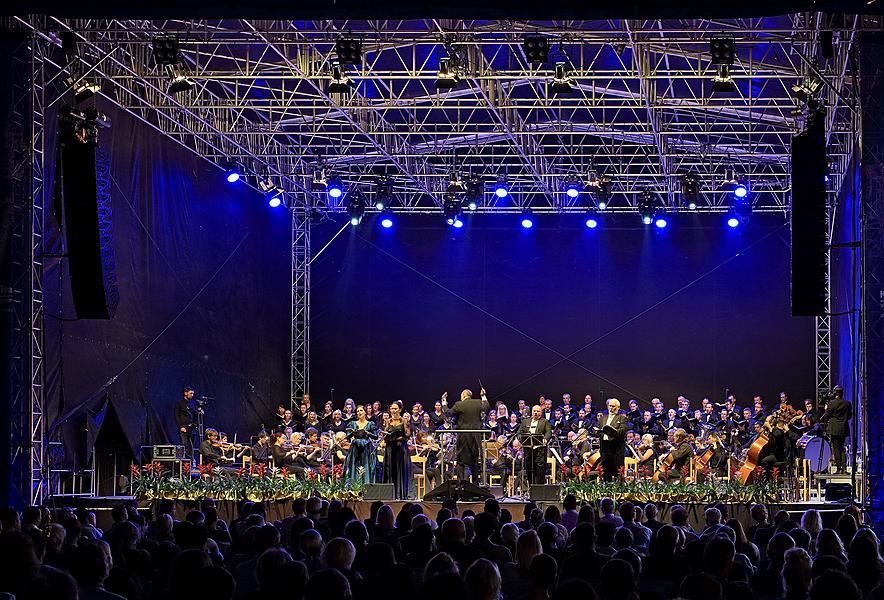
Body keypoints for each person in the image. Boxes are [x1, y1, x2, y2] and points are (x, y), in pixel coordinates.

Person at [445, 388, 490, 483]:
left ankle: (460, 484)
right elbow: (486, 407)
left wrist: (444, 403)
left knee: (461, 461)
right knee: (474, 460)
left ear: (463, 396)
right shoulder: (478, 402)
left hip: (463, 436)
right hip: (475, 436)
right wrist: (483, 396)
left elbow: (448, 413)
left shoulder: (459, 404)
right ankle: (475, 485)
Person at [517, 405, 552, 487]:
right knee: (529, 470)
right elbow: (519, 433)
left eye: (538, 411)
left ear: (541, 413)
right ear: (532, 412)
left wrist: (545, 440)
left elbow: (548, 433)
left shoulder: (545, 422)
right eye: (534, 411)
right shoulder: (525, 421)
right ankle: (531, 489)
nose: (536, 412)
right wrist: (522, 441)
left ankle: (539, 490)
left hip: (540, 451)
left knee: (540, 472)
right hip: (528, 451)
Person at [382, 402, 412, 499]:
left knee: (400, 470)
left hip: (400, 448)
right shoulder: (388, 421)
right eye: (392, 409)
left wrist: (400, 436)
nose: (393, 411)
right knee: (390, 470)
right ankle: (390, 494)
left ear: (400, 409)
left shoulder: (404, 420)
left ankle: (400, 494)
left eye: (395, 408)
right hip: (390, 449)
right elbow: (385, 435)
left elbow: (408, 435)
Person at [343, 405, 379, 485]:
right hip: (355, 447)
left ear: (365, 412)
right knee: (354, 466)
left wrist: (367, 433)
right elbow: (347, 436)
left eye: (361, 410)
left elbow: (376, 436)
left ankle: (366, 486)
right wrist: (352, 432)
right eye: (358, 411)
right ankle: (354, 487)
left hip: (366, 448)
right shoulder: (353, 423)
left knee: (366, 466)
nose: (359, 412)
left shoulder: (370, 424)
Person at [821, 385, 852, 473]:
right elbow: (849, 416)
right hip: (843, 428)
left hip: (834, 428)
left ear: (835, 393)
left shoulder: (831, 403)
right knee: (842, 448)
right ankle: (844, 468)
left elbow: (826, 416)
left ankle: (839, 468)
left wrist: (826, 409)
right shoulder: (847, 404)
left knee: (836, 449)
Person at [598, 399, 628, 481]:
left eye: (613, 406)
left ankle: (619, 492)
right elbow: (599, 431)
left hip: (616, 450)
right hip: (605, 450)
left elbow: (622, 431)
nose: (611, 408)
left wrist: (610, 433)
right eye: (610, 406)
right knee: (605, 473)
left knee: (618, 473)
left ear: (618, 407)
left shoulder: (622, 418)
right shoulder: (602, 418)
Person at [174, 387, 195, 460]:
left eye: (193, 393)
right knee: (184, 444)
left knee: (191, 445)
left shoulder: (192, 403)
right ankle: (183, 461)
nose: (192, 395)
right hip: (183, 427)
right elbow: (176, 416)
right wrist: (180, 426)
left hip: (191, 428)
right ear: (185, 393)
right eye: (190, 393)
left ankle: (191, 460)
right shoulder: (179, 403)